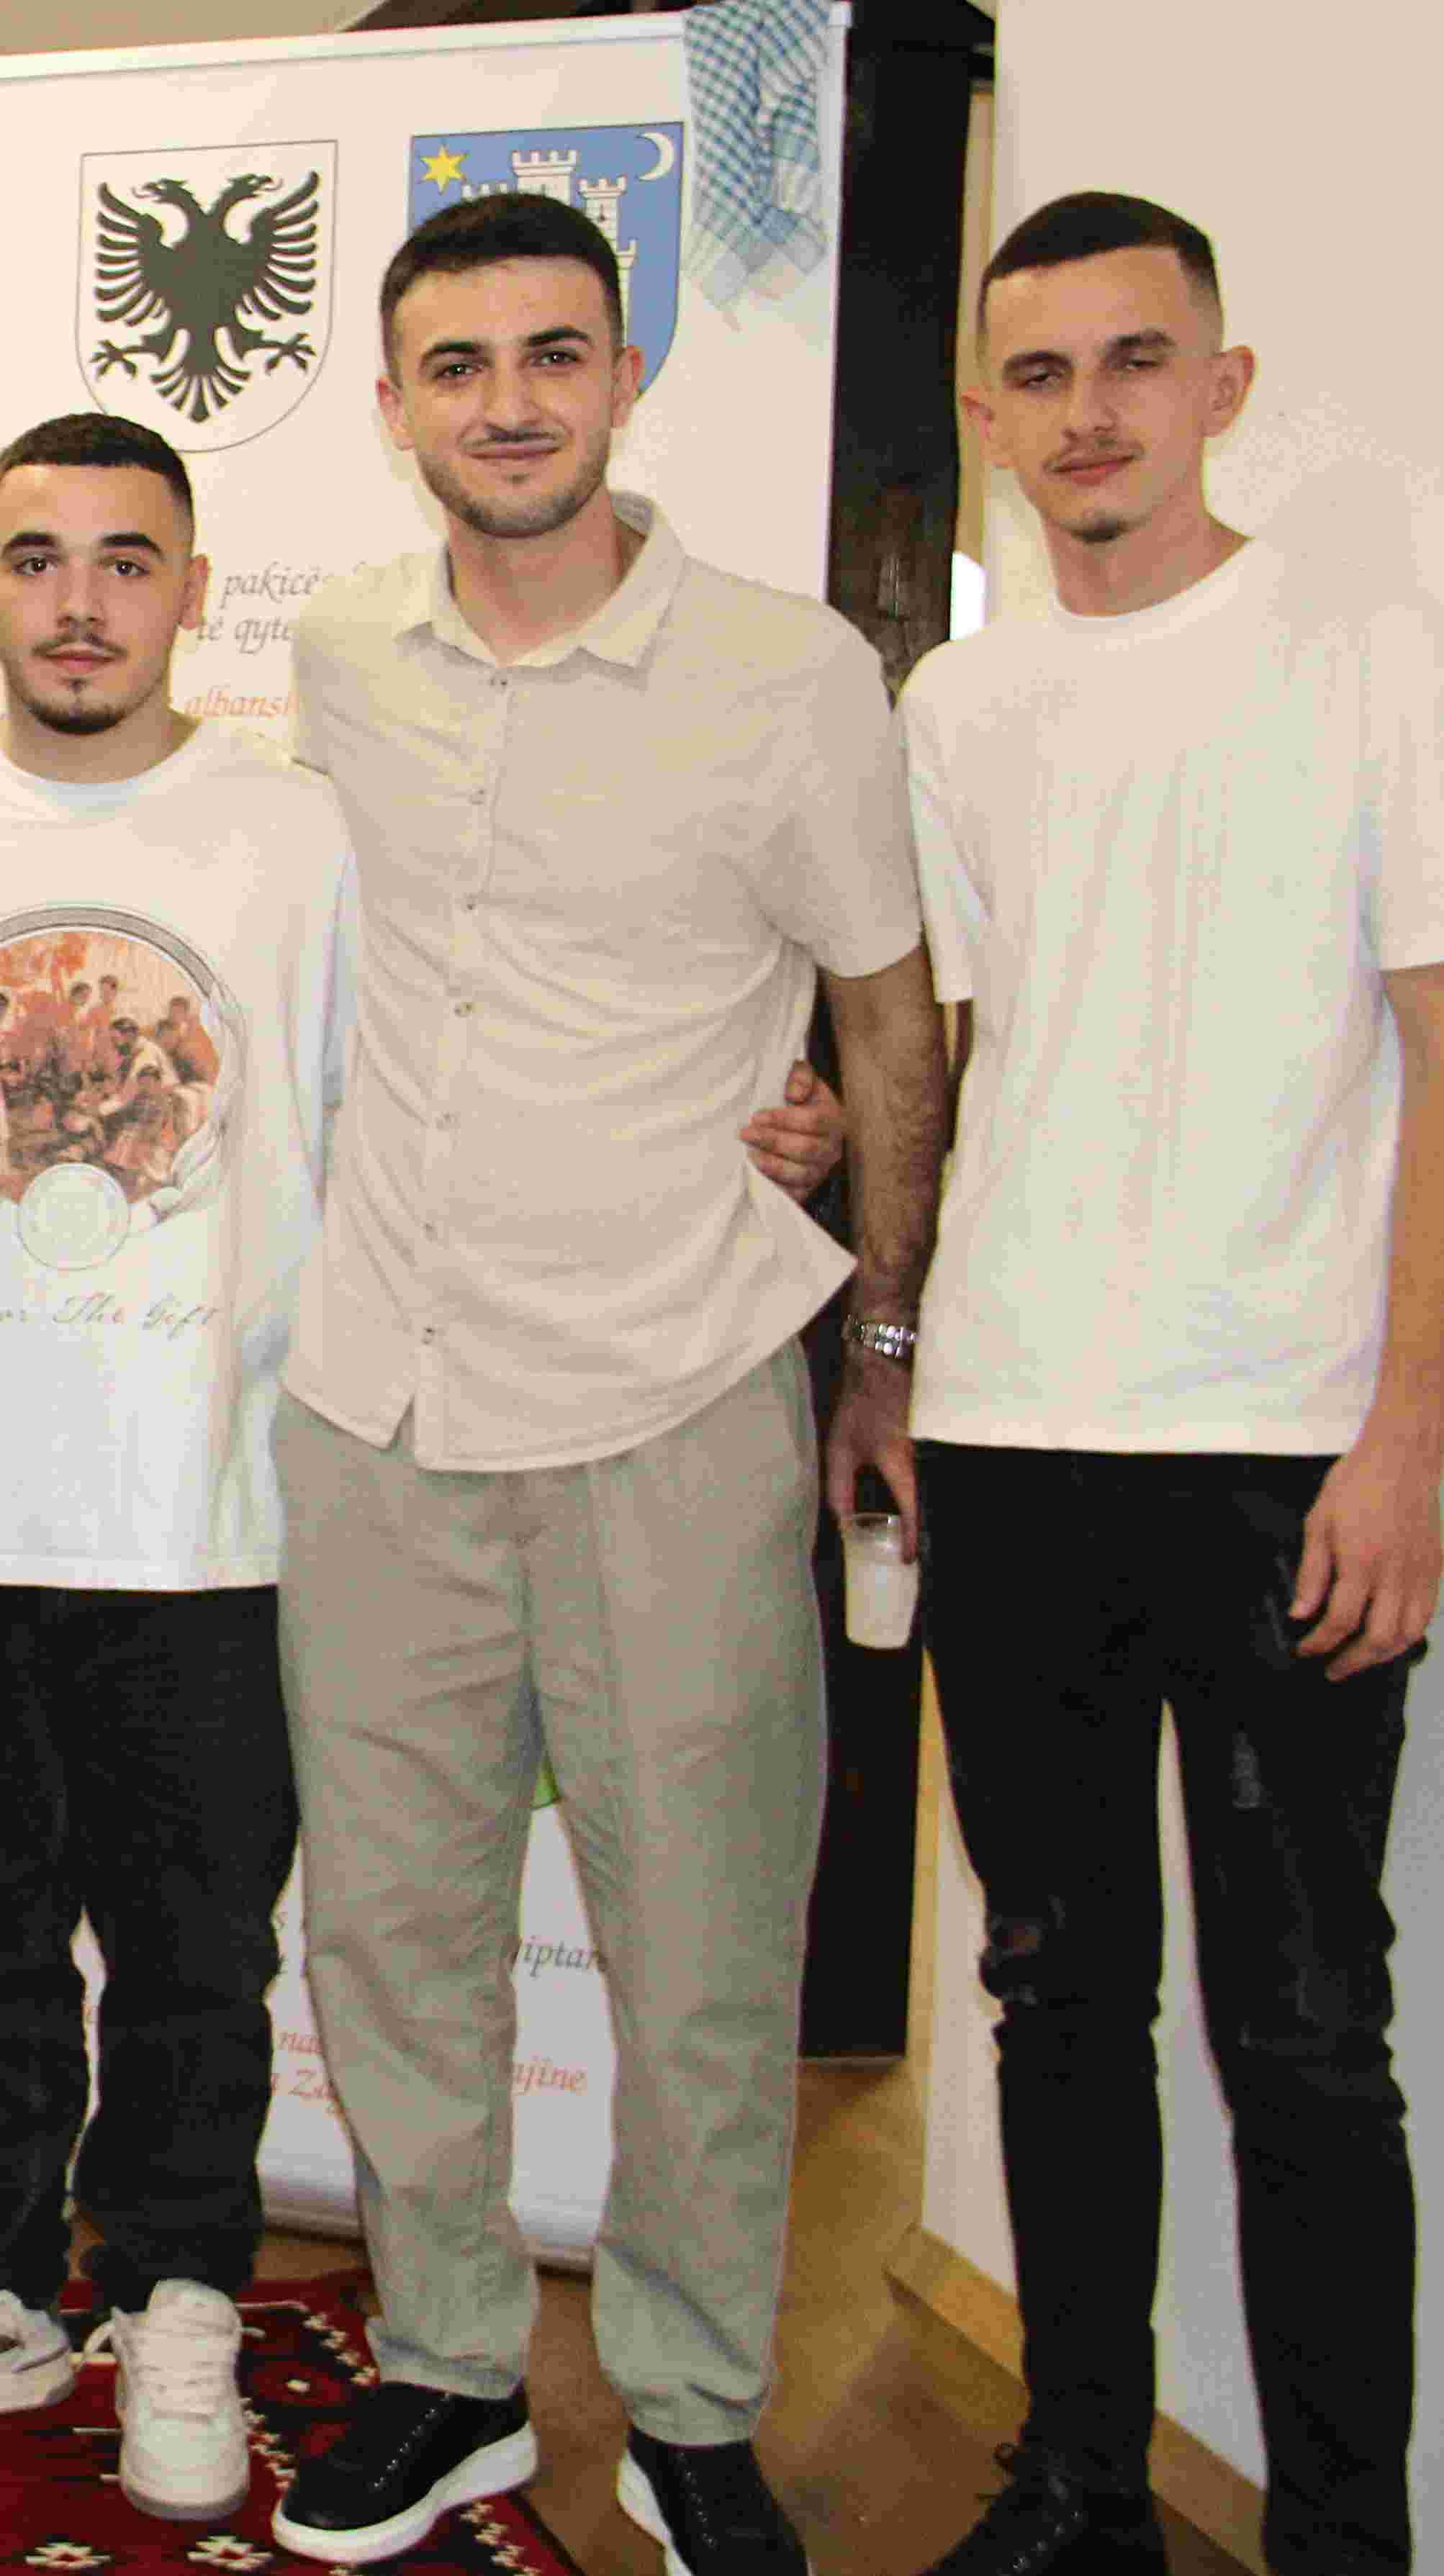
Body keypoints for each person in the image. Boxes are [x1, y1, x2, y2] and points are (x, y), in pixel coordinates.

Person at [0, 410, 843, 2532]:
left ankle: (179, 2281)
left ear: (195, 593)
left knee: (199, 1951)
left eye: (129, 560)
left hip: (224, 1505)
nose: (81, 602)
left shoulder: (307, 832)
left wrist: (763, 1110)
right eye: (36, 558)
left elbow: (445, 1105)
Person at [265, 191, 951, 2575]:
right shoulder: (339, 653)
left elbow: (886, 1022)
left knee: (705, 1956)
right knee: (391, 1936)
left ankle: (690, 2403)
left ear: (627, 376)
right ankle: (449, 2361)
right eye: (458, 366)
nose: (511, 404)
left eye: (554, 354)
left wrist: (879, 1336)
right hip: (378, 1399)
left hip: (678, 1396)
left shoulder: (791, 675)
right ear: (394, 407)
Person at [903, 194, 1444, 2576]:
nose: (1090, 412)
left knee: (1303, 2038)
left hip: (1287, 1450)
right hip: (1010, 1434)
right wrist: (881, 1309)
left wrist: (1404, 1435)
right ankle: (1085, 2484)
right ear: (987, 416)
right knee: (1055, 1995)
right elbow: (984, 1050)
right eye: (1042, 373)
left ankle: (1343, 2543)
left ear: (1224, 384)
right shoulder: (958, 706)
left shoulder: (1379, 652)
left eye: (1136, 360)